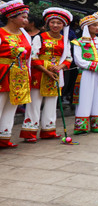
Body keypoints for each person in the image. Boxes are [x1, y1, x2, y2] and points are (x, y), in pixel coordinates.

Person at [21, 8, 73, 142]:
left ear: (63, 25)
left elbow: (68, 58)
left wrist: (59, 67)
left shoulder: (65, 40)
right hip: (40, 74)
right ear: (48, 23)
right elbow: (33, 57)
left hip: (55, 74)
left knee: (51, 104)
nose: (55, 25)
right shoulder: (40, 37)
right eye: (52, 22)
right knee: (34, 104)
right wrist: (48, 70)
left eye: (59, 23)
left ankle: (48, 130)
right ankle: (30, 133)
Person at [71, 12, 98, 134]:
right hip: (86, 73)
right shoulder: (78, 42)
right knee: (84, 97)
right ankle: (81, 126)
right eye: (94, 25)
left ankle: (97, 124)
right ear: (86, 27)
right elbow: (78, 61)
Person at [0, 0, 32, 148]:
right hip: (3, 72)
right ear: (11, 17)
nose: (26, 20)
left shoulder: (25, 35)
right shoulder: (1, 33)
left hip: (19, 75)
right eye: (23, 17)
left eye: (26, 17)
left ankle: (4, 137)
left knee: (11, 107)